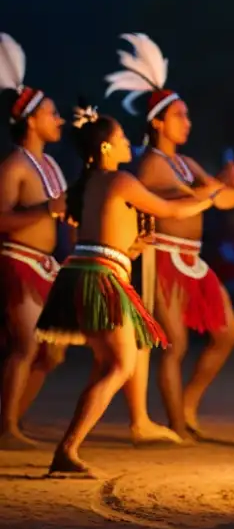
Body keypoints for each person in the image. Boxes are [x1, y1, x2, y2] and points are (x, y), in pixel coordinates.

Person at [104, 33, 234, 441]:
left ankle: (189, 403)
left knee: (228, 333)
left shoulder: (184, 162)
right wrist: (225, 186)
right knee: (173, 343)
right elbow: (199, 196)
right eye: (180, 115)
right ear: (158, 122)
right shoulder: (149, 165)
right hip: (162, 258)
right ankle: (176, 424)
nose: (188, 122)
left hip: (193, 260)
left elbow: (218, 198)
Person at [34, 105, 218, 476]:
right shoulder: (120, 181)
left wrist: (131, 248)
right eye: (120, 139)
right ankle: (67, 450)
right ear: (104, 147)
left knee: (108, 363)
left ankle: (68, 449)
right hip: (101, 279)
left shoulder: (86, 185)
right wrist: (210, 195)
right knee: (120, 364)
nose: (127, 144)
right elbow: (169, 209)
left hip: (85, 273)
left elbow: (99, 237)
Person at [0, 33, 69, 448]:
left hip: (47, 265)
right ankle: (8, 428)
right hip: (17, 262)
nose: (58, 120)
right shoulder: (13, 167)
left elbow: (63, 211)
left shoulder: (51, 163)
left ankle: (11, 422)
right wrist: (46, 211)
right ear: (31, 120)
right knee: (25, 345)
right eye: (51, 114)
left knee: (53, 353)